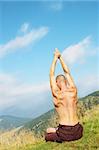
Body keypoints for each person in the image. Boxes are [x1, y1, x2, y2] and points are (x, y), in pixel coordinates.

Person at [45, 48, 83, 143]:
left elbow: (51, 75)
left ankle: (59, 135)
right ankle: (59, 132)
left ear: (57, 83)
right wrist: (60, 57)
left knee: (47, 133)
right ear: (66, 81)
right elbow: (67, 72)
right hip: (78, 131)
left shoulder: (57, 95)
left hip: (64, 132)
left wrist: (54, 58)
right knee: (58, 129)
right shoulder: (73, 90)